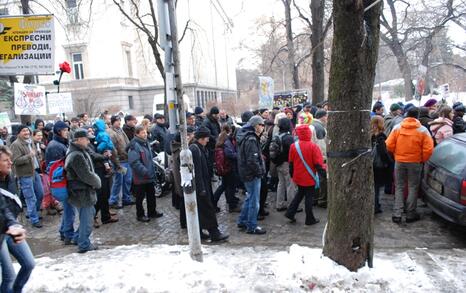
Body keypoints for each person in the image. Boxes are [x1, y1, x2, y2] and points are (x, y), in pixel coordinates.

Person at [386, 107, 434, 224]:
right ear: (417, 116)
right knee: (413, 187)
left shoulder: (397, 128)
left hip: (400, 161)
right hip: (415, 162)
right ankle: (410, 213)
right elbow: (428, 149)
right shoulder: (423, 130)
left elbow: (389, 144)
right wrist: (421, 159)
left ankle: (397, 213)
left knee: (399, 186)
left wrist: (396, 155)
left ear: (407, 115)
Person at [0, 145, 35, 293]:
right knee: (9, 277)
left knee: (29, 264)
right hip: (2, 232)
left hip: (11, 228)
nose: (10, 163)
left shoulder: (10, 177)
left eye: (10, 160)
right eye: (5, 160)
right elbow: (3, 208)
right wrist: (12, 223)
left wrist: (14, 224)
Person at [65, 129, 101, 253]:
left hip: (80, 191)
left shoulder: (78, 151)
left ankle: (77, 238)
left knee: (88, 214)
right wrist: (97, 182)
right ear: (79, 140)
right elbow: (85, 175)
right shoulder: (77, 155)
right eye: (86, 139)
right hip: (81, 192)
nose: (88, 141)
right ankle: (84, 244)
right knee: (87, 218)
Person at [189, 127, 229, 242]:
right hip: (200, 186)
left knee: (202, 209)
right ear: (201, 138)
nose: (207, 140)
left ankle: (200, 231)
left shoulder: (199, 148)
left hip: (204, 184)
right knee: (207, 209)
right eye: (206, 138)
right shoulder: (195, 149)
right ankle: (214, 233)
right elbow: (196, 171)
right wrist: (201, 188)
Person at [285, 125, 324, 226]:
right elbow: (318, 164)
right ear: (309, 134)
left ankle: (290, 212)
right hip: (309, 177)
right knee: (309, 198)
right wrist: (323, 175)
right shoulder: (313, 147)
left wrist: (292, 176)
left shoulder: (294, 146)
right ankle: (309, 219)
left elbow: (291, 163)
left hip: (298, 176)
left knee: (300, 194)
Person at [237, 116, 267, 235]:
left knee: (250, 198)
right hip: (252, 174)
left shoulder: (246, 136)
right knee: (254, 201)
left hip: (247, 173)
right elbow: (252, 160)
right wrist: (260, 172)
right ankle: (252, 226)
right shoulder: (251, 139)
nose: (263, 127)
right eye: (261, 125)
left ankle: (243, 220)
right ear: (255, 126)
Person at [45, 121, 74, 241]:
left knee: (68, 208)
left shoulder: (59, 143)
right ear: (58, 131)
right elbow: (58, 168)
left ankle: (64, 231)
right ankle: (68, 234)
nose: (67, 133)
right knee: (69, 209)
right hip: (62, 182)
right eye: (64, 130)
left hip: (62, 182)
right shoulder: (55, 146)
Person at [10, 125, 44, 228]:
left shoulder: (30, 142)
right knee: (30, 198)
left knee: (40, 193)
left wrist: (38, 155)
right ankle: (34, 219)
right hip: (25, 175)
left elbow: (35, 156)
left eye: (27, 131)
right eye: (24, 131)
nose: (26, 133)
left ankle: (33, 213)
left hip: (35, 172)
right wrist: (29, 155)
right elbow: (15, 161)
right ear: (19, 133)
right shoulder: (15, 145)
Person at [128, 126, 163, 222]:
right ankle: (140, 215)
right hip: (140, 177)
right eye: (143, 133)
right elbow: (134, 162)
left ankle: (152, 212)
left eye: (145, 132)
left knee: (151, 195)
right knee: (140, 197)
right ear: (137, 134)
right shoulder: (134, 145)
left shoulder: (145, 143)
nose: (145, 134)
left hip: (149, 175)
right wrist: (145, 171)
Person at [86, 126, 118, 228]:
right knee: (99, 195)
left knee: (105, 194)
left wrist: (106, 152)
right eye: (89, 131)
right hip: (96, 171)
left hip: (103, 169)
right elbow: (93, 156)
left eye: (92, 130)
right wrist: (104, 156)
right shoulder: (87, 145)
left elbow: (100, 151)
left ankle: (106, 216)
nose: (91, 132)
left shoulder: (95, 141)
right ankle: (93, 217)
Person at [212, 125, 241, 213]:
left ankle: (213, 202)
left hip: (225, 168)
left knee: (224, 186)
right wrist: (239, 155)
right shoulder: (227, 141)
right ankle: (232, 206)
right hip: (229, 168)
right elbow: (229, 154)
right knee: (230, 187)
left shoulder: (221, 139)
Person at [107, 115, 134, 209]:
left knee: (127, 180)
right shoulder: (111, 133)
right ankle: (113, 200)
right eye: (117, 121)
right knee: (118, 181)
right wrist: (116, 162)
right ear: (113, 122)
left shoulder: (121, 130)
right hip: (119, 161)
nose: (119, 122)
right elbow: (112, 149)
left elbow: (127, 142)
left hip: (126, 159)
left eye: (120, 120)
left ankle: (126, 198)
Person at [272, 117, 295, 211]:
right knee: (290, 185)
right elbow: (292, 152)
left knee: (281, 184)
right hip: (286, 163)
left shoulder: (277, 135)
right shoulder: (289, 138)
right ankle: (291, 206)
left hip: (278, 163)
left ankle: (279, 204)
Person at [371, 116, 392, 214]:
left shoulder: (370, 135)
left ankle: (374, 204)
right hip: (378, 165)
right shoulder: (381, 137)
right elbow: (383, 152)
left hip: (371, 163)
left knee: (373, 186)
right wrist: (388, 162)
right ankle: (375, 206)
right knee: (376, 187)